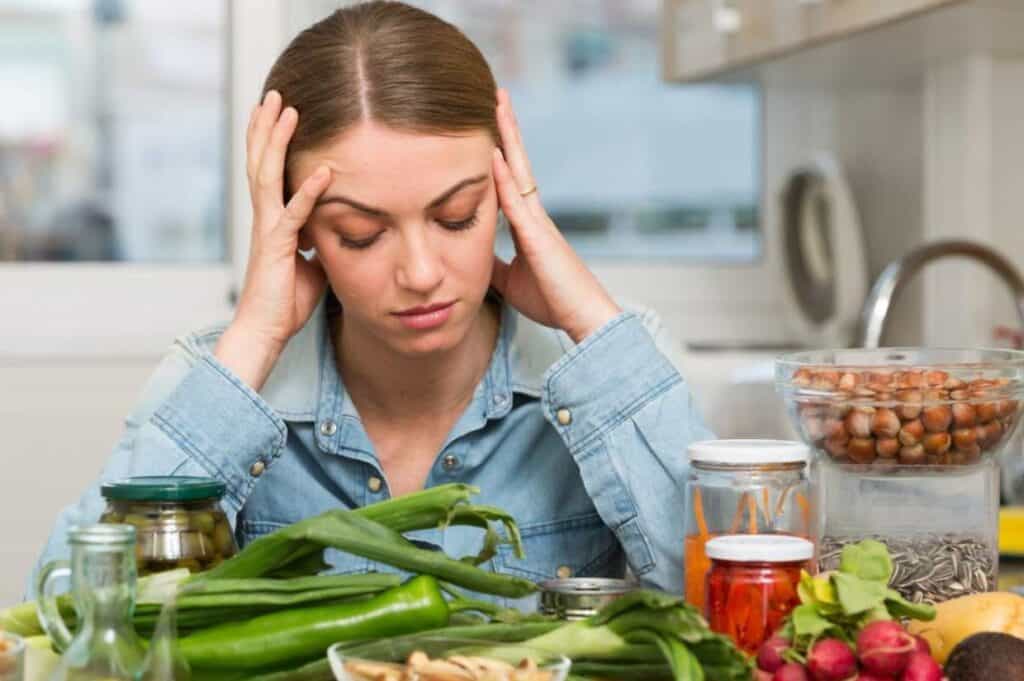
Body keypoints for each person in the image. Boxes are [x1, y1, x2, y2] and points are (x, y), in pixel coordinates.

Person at [31, 1, 713, 604]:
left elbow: (730, 611)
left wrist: (586, 314)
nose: (419, 272)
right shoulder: (217, 376)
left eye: (456, 217)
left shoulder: (612, 361)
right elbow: (71, 616)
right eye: (360, 234)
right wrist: (255, 338)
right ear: (299, 234)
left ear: (506, 193)